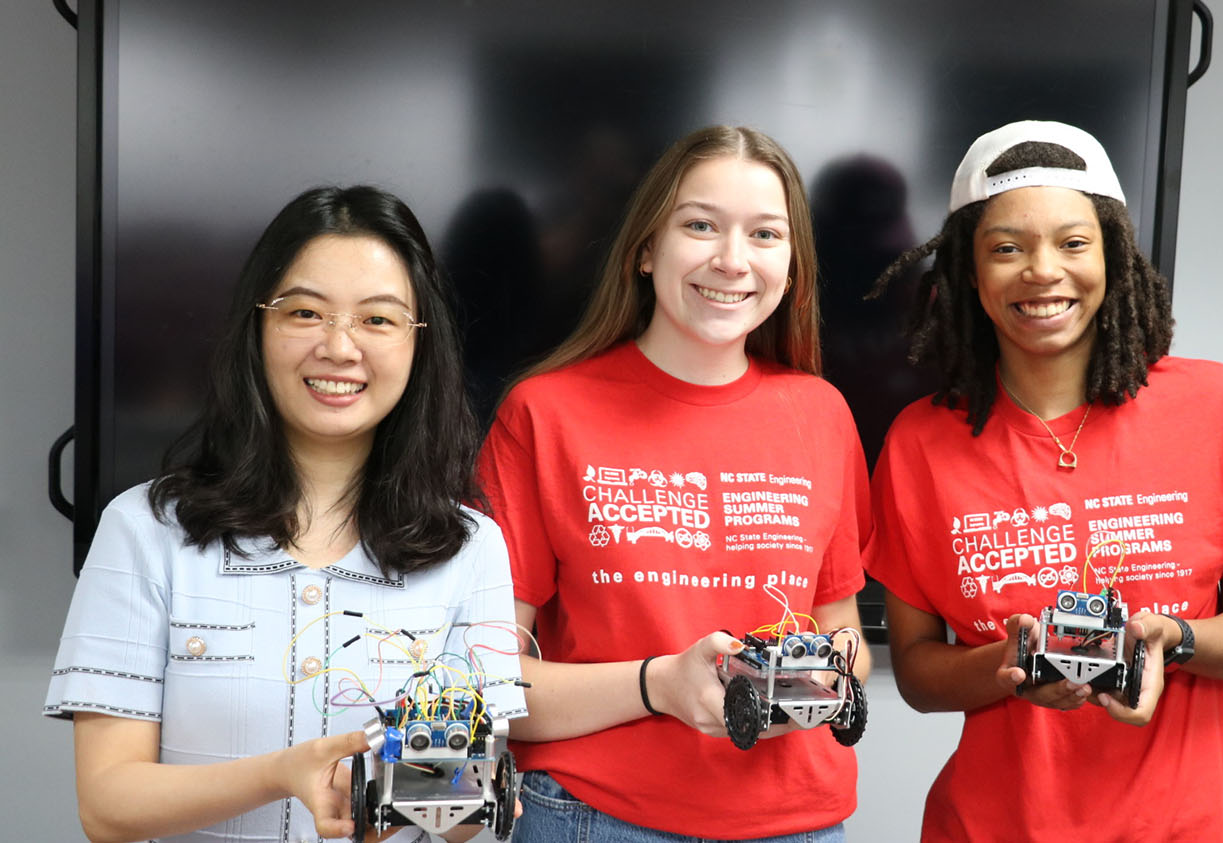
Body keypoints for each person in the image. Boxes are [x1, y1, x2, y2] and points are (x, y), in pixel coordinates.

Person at [864, 121, 1223, 842]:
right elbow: (920, 673)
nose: (1042, 270)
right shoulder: (920, 442)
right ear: (969, 272)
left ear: (1111, 254)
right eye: (1007, 247)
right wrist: (1011, 666)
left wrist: (1169, 639)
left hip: (1184, 824)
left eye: (1074, 243)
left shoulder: (1216, 406)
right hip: (991, 825)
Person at [44, 186, 526, 843]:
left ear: (419, 344)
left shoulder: (468, 547)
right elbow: (107, 804)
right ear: (258, 325)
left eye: (378, 319)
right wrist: (283, 772)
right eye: (305, 312)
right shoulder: (144, 528)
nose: (339, 346)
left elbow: (467, 818)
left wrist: (424, 795)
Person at [475, 125, 871, 842]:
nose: (732, 260)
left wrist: (833, 665)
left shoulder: (822, 414)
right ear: (646, 249)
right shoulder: (545, 413)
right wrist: (659, 683)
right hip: (594, 816)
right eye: (700, 225)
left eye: (764, 234)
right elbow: (491, 685)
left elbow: (844, 630)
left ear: (792, 265)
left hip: (799, 823)